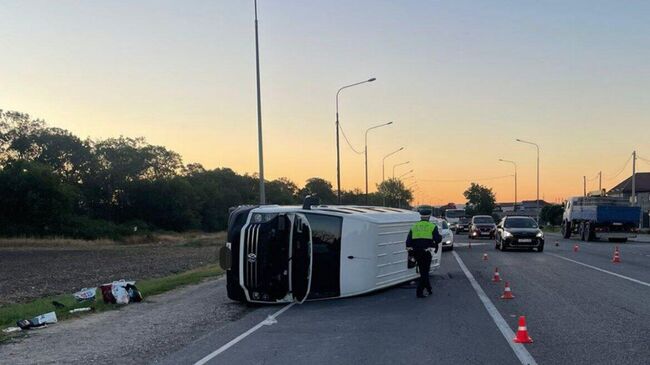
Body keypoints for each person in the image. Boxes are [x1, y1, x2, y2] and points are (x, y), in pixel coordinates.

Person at [406, 211, 442, 298]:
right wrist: (438, 238)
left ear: (421, 217)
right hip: (426, 252)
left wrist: (411, 253)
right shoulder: (432, 226)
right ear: (429, 217)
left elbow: (408, 242)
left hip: (416, 252)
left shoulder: (414, 226)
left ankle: (429, 289)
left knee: (423, 271)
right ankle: (419, 292)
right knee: (425, 272)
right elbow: (438, 239)